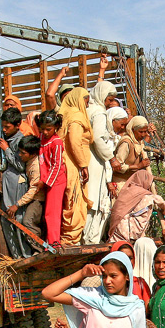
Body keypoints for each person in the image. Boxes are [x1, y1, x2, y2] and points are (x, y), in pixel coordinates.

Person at [84, 96, 126, 244]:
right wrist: (109, 181)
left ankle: (93, 241)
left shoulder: (112, 137)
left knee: (102, 212)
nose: (122, 128)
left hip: (104, 182)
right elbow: (106, 162)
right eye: (121, 124)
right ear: (112, 120)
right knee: (94, 208)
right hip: (97, 180)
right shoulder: (103, 139)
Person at [59, 88, 94, 246]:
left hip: (68, 163)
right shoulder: (76, 116)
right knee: (75, 203)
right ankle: (70, 241)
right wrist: (83, 165)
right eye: (86, 100)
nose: (87, 105)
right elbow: (74, 141)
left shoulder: (65, 114)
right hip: (73, 165)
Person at [0, 107, 31, 258]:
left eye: (7, 127)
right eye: (3, 126)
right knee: (8, 220)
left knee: (18, 220)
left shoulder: (19, 141)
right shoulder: (8, 139)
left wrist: (6, 150)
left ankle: (25, 256)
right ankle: (16, 257)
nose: (4, 130)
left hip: (17, 187)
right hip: (9, 187)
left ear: (18, 125)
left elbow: (20, 166)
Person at [106, 169, 165, 243]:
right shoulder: (143, 194)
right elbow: (157, 199)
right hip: (128, 229)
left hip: (117, 226)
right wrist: (164, 208)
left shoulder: (127, 190)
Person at [37, 110, 67, 246]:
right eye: (42, 129)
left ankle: (54, 242)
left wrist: (47, 182)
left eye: (48, 129)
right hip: (46, 180)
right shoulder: (42, 138)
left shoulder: (57, 142)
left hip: (55, 181)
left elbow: (57, 164)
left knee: (52, 213)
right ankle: (51, 240)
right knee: (47, 213)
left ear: (55, 127)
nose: (45, 132)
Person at [11, 135, 45, 249]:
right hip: (34, 199)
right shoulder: (30, 161)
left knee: (28, 222)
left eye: (23, 153)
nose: (20, 155)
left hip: (38, 199)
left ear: (33, 154)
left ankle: (39, 249)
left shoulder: (35, 167)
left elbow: (33, 191)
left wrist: (17, 205)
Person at [112, 116, 153, 190]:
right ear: (133, 130)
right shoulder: (126, 143)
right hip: (120, 183)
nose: (143, 135)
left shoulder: (139, 142)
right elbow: (117, 166)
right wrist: (138, 166)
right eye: (140, 132)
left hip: (131, 183)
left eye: (145, 132)